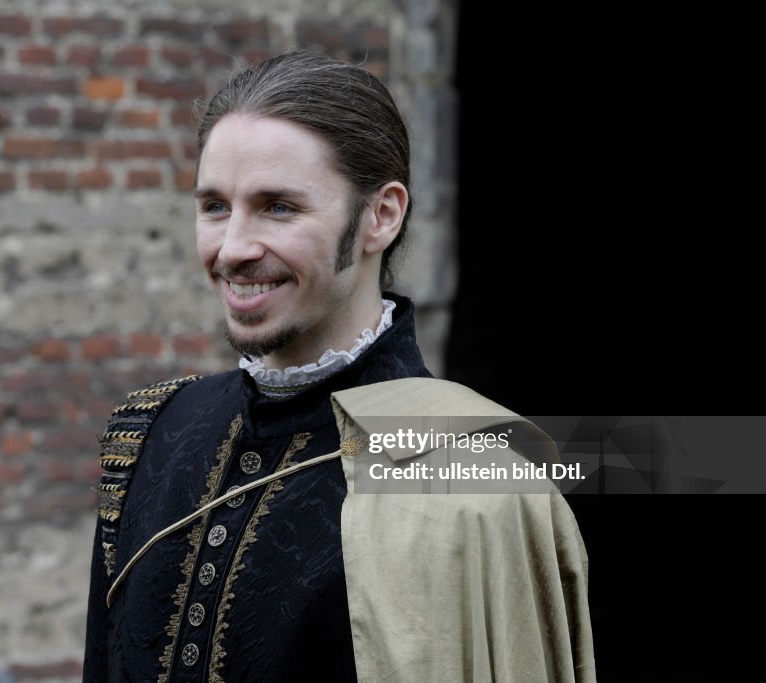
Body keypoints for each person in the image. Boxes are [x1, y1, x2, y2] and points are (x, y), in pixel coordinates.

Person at [84, 50, 594, 682]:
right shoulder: (151, 435)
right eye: (215, 206)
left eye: (279, 207)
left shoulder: (477, 471)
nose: (233, 248)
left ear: (381, 216)